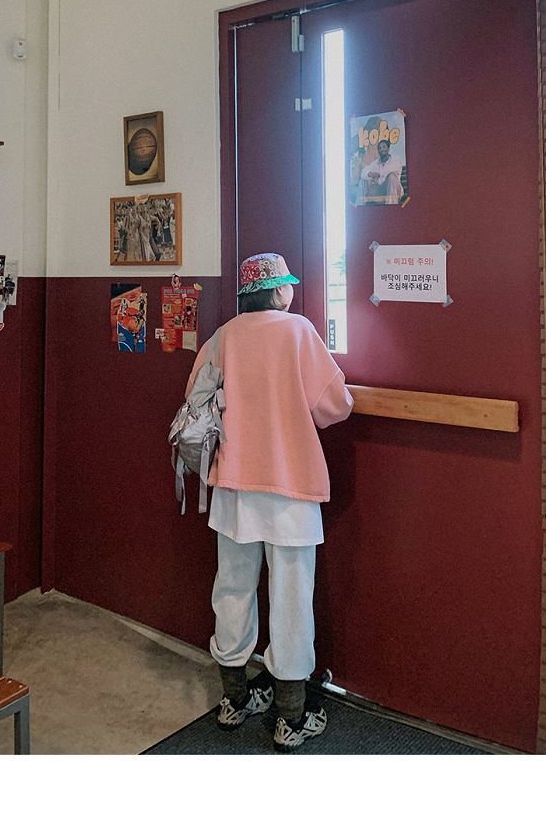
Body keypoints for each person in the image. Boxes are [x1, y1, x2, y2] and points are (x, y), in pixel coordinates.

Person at [185, 250, 352, 750]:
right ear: (279, 291)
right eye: (288, 285)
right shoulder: (298, 332)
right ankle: (290, 716)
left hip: (233, 486)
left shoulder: (224, 336)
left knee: (232, 589)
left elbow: (194, 396)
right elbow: (335, 406)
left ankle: (235, 699)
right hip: (288, 487)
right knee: (291, 597)